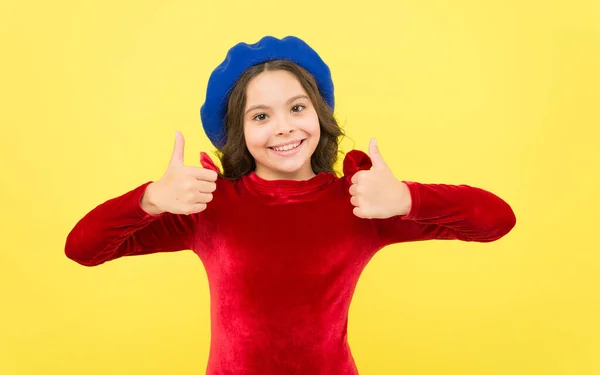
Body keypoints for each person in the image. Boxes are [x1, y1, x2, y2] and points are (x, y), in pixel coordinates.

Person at [65, 35, 516, 375]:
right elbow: (83, 248)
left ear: (318, 114)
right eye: (260, 116)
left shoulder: (363, 203)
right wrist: (150, 200)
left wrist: (406, 199)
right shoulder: (209, 208)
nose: (284, 128)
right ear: (238, 133)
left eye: (297, 108)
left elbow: (496, 219)